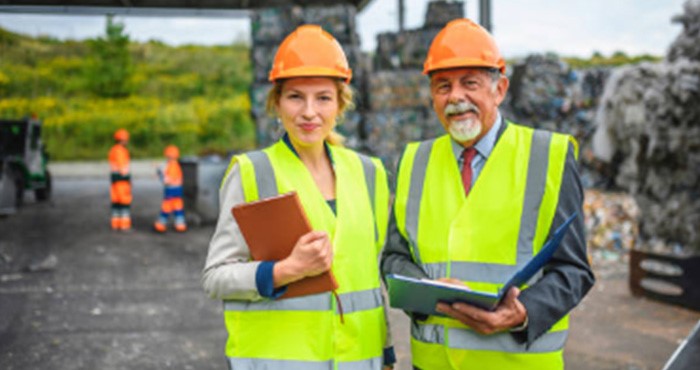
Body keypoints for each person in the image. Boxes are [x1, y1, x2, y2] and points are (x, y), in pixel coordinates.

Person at [381, 19, 595, 370]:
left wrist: (523, 312)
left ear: (500, 89)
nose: (455, 98)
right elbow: (393, 258)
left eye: (470, 83)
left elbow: (573, 269)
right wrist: (425, 289)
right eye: (442, 86)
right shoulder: (413, 162)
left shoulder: (548, 156)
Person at [202, 25, 396, 370]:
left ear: (340, 103)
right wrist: (285, 271)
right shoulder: (251, 172)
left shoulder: (369, 174)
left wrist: (387, 353)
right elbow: (216, 277)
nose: (309, 112)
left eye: (323, 97)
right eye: (295, 97)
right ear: (277, 102)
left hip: (360, 360)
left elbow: (369, 277)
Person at [153, 144, 187, 233]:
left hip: (170, 191)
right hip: (178, 191)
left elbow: (166, 180)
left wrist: (159, 172)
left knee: (166, 208)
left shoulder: (169, 165)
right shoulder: (177, 165)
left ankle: (160, 225)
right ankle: (180, 225)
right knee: (178, 208)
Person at [108, 128, 132, 231]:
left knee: (116, 202)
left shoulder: (113, 150)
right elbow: (123, 168)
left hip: (114, 181)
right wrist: (128, 179)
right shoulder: (121, 151)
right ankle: (124, 225)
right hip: (122, 182)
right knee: (124, 202)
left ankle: (115, 224)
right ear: (123, 140)